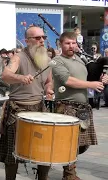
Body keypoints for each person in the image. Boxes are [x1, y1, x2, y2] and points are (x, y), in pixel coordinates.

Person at [0, 26, 53, 180]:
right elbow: (5, 75)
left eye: (43, 37)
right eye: (37, 38)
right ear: (27, 41)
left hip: (39, 107)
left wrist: (49, 89)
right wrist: (20, 78)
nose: (42, 41)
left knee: (44, 149)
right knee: (12, 151)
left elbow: (49, 82)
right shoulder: (18, 57)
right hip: (18, 109)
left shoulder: (47, 60)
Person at [52, 31, 107, 180]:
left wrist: (102, 78)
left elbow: (90, 77)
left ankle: (69, 169)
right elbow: (67, 80)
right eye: (67, 43)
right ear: (61, 44)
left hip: (82, 107)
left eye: (73, 43)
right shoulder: (57, 61)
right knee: (69, 142)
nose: (71, 46)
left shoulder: (80, 60)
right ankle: (69, 174)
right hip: (66, 106)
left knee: (82, 144)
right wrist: (92, 84)